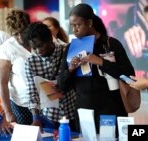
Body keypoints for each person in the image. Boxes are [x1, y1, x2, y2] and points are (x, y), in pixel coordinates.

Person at [58, 3, 135, 133]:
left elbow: (129, 76)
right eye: (72, 26)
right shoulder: (72, 47)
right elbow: (62, 86)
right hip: (84, 112)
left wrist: (101, 62)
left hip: (110, 109)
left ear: (89, 23)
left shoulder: (111, 44)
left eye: (77, 25)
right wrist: (70, 69)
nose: (74, 30)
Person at [24, 22, 76, 130]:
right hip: (49, 117)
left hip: (73, 113)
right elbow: (32, 92)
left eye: (40, 45)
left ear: (50, 39)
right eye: (34, 48)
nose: (38, 51)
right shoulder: (30, 62)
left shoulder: (66, 51)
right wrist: (36, 118)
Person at [0, 10, 32, 124]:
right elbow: (2, 83)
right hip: (21, 104)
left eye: (23, 32)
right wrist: (8, 113)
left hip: (46, 103)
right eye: (16, 34)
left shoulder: (38, 40)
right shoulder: (6, 49)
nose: (20, 37)